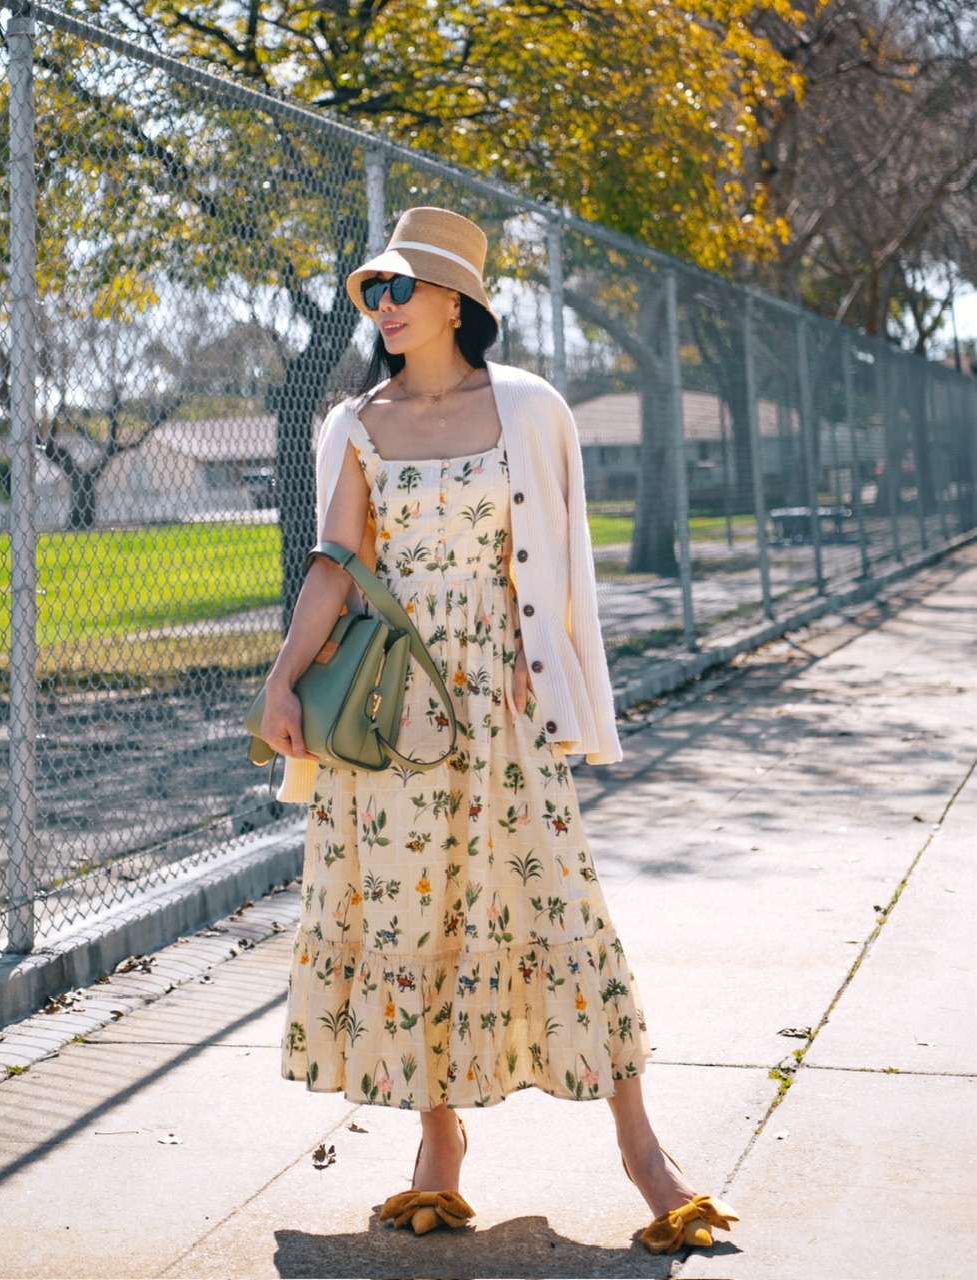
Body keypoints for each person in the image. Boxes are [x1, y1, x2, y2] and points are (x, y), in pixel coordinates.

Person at [257, 206, 737, 1254]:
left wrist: (547, 664)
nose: (380, 307)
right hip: (390, 713)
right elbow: (335, 567)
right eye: (371, 290)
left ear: (455, 302)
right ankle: (438, 1150)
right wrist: (283, 681)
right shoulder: (353, 422)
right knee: (408, 919)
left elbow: (558, 562)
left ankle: (644, 1155)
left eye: (399, 288)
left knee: (558, 902)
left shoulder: (527, 406)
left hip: (501, 709)